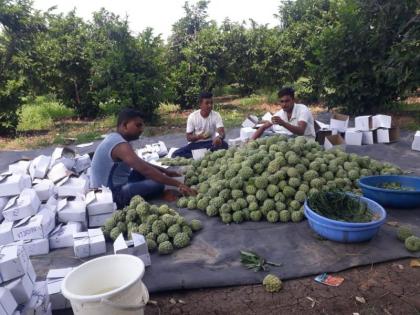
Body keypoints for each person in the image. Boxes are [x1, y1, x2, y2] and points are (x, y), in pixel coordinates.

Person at [91, 108, 196, 208]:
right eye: (138, 125)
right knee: (158, 184)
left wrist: (166, 171)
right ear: (124, 126)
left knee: (151, 175)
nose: (142, 129)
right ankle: (159, 193)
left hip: (118, 184)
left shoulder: (116, 139)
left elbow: (140, 163)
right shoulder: (120, 145)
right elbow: (146, 170)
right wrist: (178, 184)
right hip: (109, 196)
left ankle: (156, 188)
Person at [172, 92, 228, 159]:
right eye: (207, 103)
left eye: (211, 103)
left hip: (211, 143)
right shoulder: (192, 117)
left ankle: (199, 156)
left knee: (224, 145)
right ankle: (203, 156)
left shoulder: (216, 115)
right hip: (196, 145)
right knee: (176, 154)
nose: (210, 105)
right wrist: (199, 137)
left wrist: (219, 137)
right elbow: (188, 137)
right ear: (200, 104)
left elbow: (222, 133)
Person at [251, 87, 316, 140]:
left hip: (307, 140)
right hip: (292, 140)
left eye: (287, 101)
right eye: (281, 101)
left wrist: (283, 123)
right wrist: (251, 141)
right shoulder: (281, 113)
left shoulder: (302, 109)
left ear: (293, 100)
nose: (284, 104)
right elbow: (263, 127)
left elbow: (301, 131)